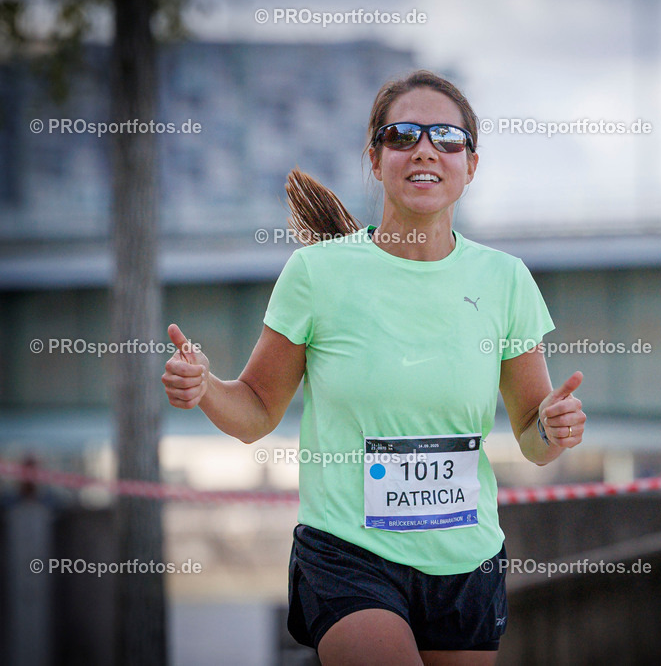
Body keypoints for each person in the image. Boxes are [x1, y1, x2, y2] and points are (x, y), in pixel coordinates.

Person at [161, 70, 586, 665]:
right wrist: (206, 386)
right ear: (375, 157)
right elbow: (256, 412)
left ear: (471, 163)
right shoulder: (318, 274)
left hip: (465, 562)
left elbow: (531, 438)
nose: (425, 150)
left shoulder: (506, 280)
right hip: (348, 555)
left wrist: (553, 427)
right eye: (402, 134)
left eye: (446, 137)